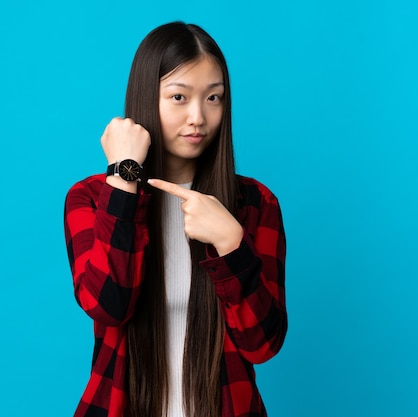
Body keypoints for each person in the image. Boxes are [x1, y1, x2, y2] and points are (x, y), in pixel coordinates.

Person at [64, 21, 287, 417]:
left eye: (214, 98)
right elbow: (108, 305)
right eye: (179, 97)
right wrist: (124, 174)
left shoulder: (255, 203)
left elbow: (263, 345)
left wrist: (231, 245)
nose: (198, 117)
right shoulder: (93, 197)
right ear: (147, 98)